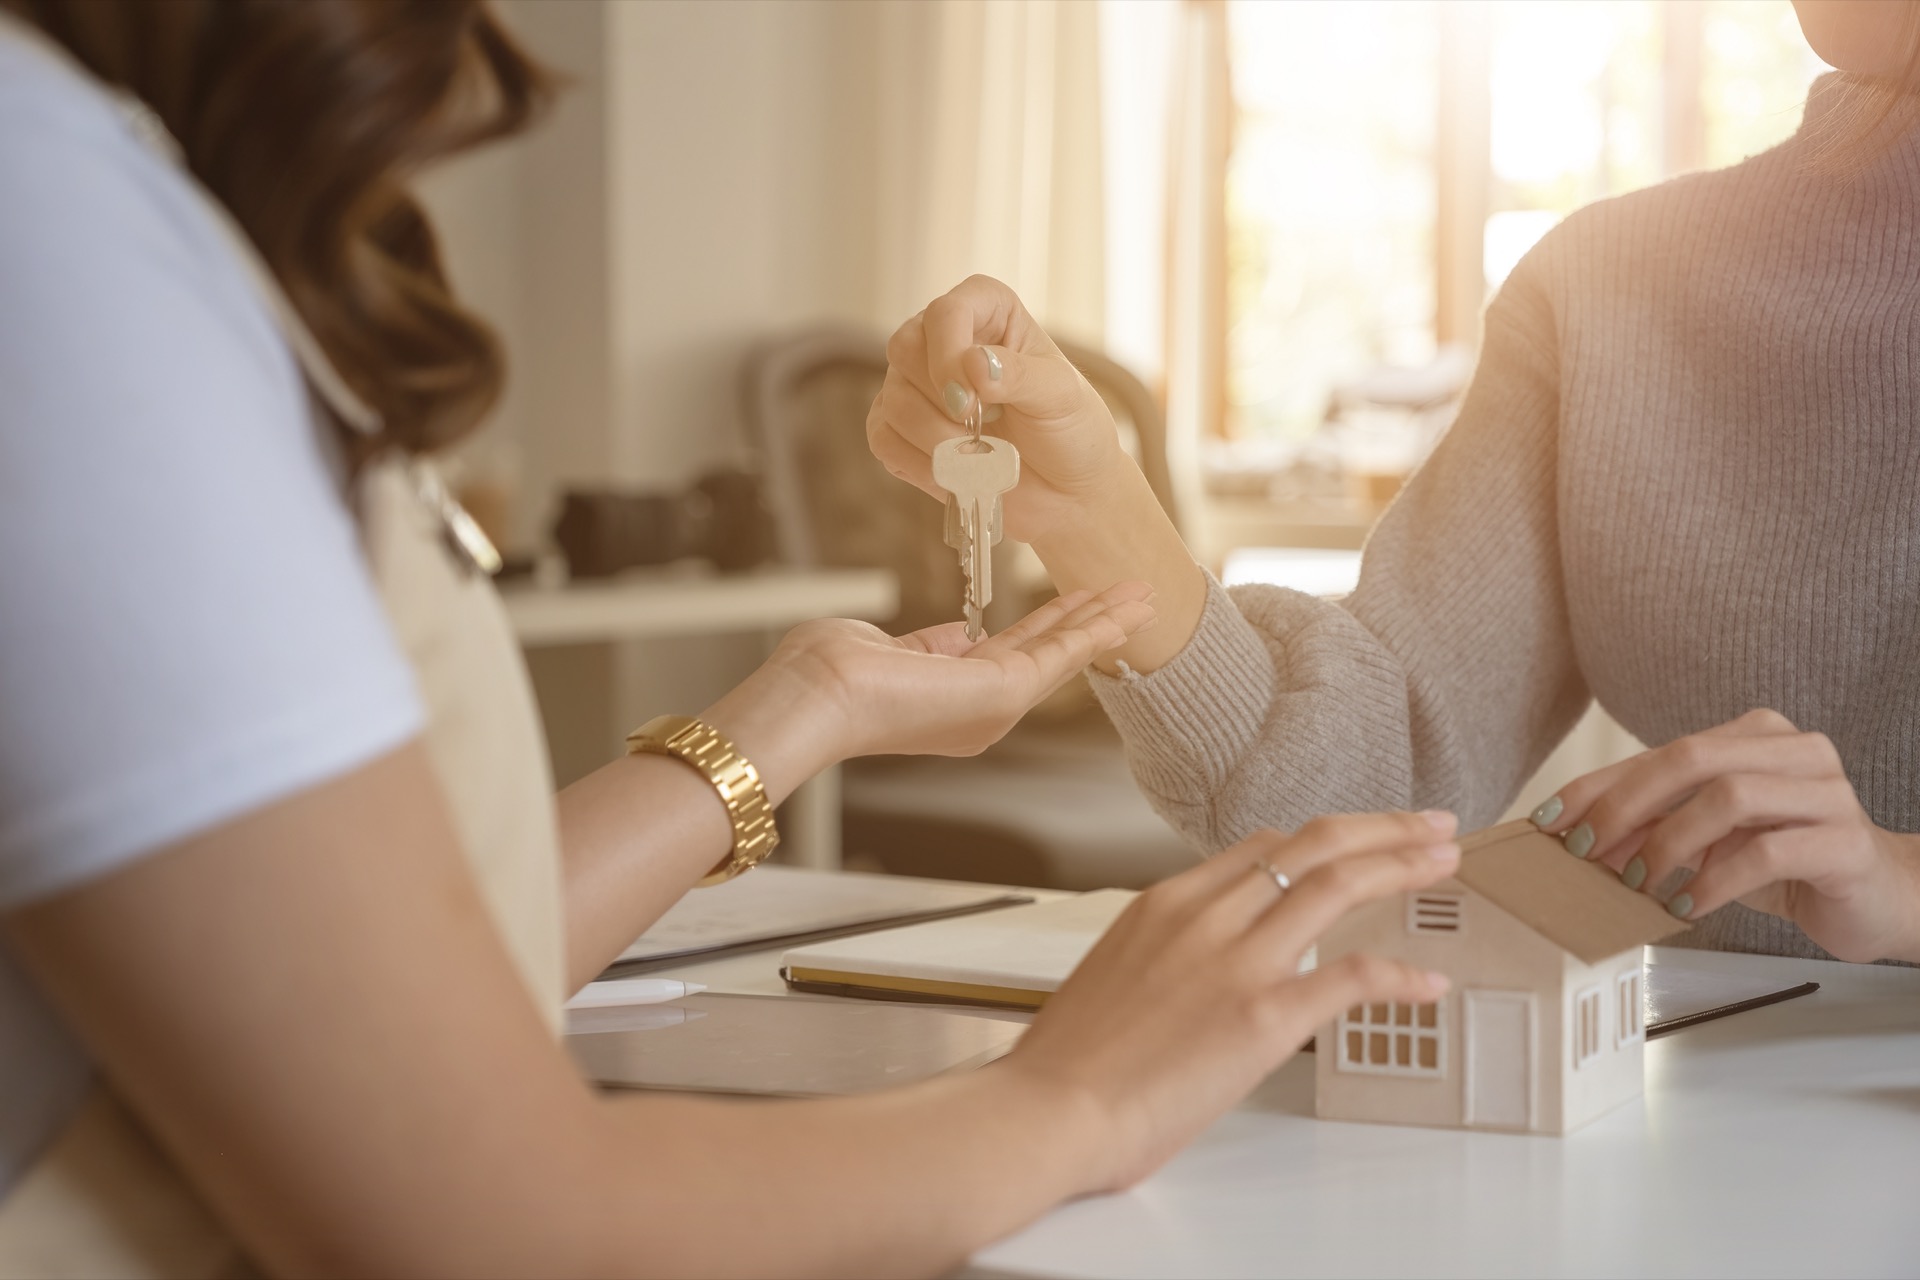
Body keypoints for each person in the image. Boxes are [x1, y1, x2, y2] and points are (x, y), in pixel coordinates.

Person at [0, 3, 1468, 1276]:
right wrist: (1066, 1102)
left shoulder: (107, 187)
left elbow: (373, 986)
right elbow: (475, 1217)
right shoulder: (56, 219)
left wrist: (804, 708)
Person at [870, 0, 1920, 969]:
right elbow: (1377, 803)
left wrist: (1902, 885)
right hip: (1707, 1110)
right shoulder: (1608, 285)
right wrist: (1092, 508)